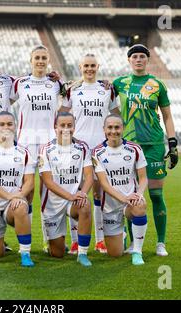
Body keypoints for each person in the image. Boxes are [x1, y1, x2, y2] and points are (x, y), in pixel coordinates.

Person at [112, 44, 178, 256]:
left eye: (142, 56)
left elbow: (167, 116)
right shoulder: (119, 83)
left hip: (153, 145)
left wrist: (173, 143)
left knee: (156, 194)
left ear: (147, 60)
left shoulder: (157, 85)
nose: (138, 59)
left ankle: (161, 243)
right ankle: (133, 243)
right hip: (129, 147)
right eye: (135, 56)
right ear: (129, 60)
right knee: (131, 195)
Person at [60, 53, 120, 254]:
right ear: (80, 67)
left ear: (98, 66)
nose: (89, 69)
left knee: (99, 194)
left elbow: (116, 115)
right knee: (75, 193)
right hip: (77, 148)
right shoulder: (73, 90)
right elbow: (63, 115)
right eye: (86, 65)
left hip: (100, 149)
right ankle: (76, 241)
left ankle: (101, 240)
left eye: (93, 65)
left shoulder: (107, 89)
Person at [10, 45, 64, 252]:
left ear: (48, 61)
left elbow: (75, 90)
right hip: (25, 144)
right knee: (28, 191)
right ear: (30, 60)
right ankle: (27, 241)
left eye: (44, 57)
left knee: (49, 190)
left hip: (50, 144)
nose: (40, 61)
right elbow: (4, 102)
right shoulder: (20, 84)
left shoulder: (55, 84)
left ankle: (48, 239)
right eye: (37, 58)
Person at [0, 111, 35, 267]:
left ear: (15, 126)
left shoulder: (24, 152)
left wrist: (19, 196)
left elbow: (29, 182)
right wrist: (9, 196)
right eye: (2, 124)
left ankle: (25, 253)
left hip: (13, 204)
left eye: (10, 124)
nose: (6, 127)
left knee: (21, 208)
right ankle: (0, 242)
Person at [92, 114, 148, 265]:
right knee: (115, 254)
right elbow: (104, 184)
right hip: (110, 207)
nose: (113, 131)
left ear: (122, 128)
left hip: (130, 203)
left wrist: (139, 194)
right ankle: (121, 235)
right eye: (109, 127)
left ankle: (137, 251)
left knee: (140, 205)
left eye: (117, 127)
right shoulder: (97, 153)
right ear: (104, 130)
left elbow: (143, 178)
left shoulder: (134, 149)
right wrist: (123, 198)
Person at [39, 112, 93, 267]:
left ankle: (82, 253)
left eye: (69, 125)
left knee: (85, 205)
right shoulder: (46, 149)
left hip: (74, 201)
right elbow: (48, 182)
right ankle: (53, 242)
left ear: (74, 127)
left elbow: (89, 176)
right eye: (62, 125)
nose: (66, 129)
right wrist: (70, 196)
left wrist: (82, 194)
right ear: (55, 127)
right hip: (53, 205)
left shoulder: (82, 148)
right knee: (58, 254)